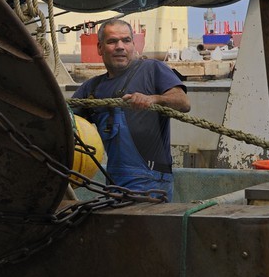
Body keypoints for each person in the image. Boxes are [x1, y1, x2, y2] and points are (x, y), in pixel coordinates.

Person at [73, 18, 190, 199]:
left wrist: (153, 99)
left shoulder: (152, 69)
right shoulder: (92, 88)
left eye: (126, 40)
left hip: (152, 184)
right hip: (113, 182)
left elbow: (183, 102)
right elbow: (67, 120)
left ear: (134, 45)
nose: (120, 46)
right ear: (99, 48)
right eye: (112, 41)